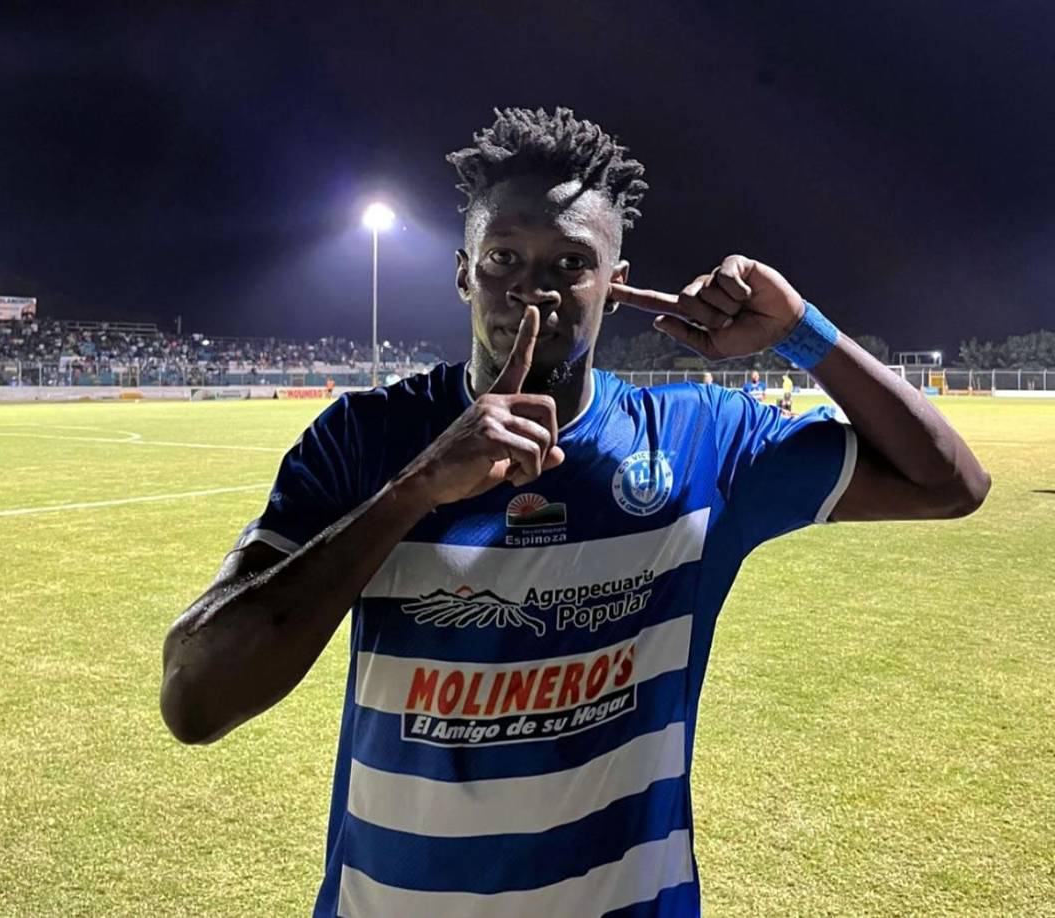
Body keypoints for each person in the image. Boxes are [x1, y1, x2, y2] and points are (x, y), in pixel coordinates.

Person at [160, 107, 990, 918]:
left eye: (570, 264)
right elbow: (196, 700)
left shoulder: (701, 442)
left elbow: (949, 485)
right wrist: (414, 489)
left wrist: (801, 331)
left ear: (616, 285)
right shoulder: (364, 439)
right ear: (462, 272)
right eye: (503, 258)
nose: (532, 290)